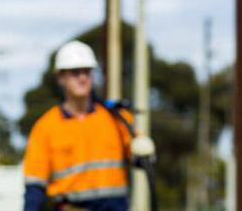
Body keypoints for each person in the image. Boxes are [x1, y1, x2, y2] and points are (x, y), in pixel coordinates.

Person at [22, 41, 156, 211]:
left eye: (87, 71)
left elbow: (142, 160)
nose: (82, 78)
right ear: (60, 78)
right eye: (75, 72)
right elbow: (35, 185)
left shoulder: (117, 118)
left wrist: (145, 151)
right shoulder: (45, 127)